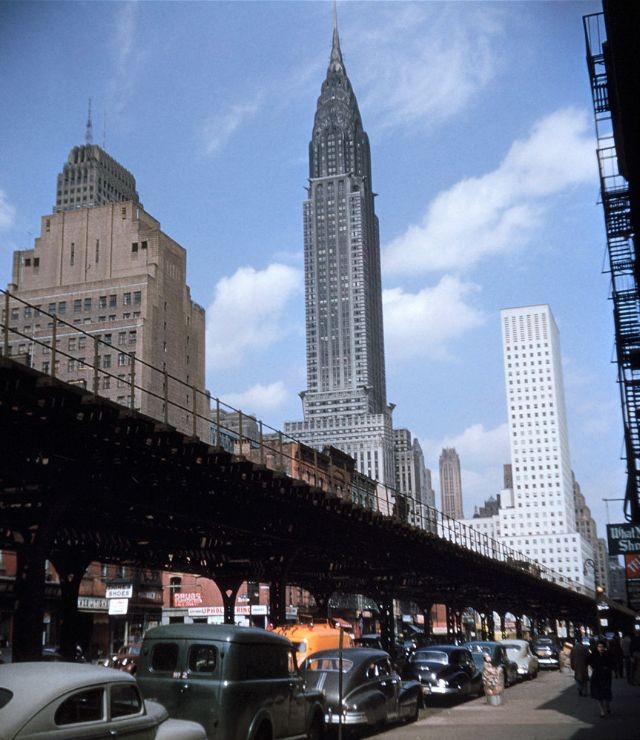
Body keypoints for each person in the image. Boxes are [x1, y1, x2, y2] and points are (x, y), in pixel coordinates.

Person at [589, 639, 614, 717]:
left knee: (606, 693)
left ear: (604, 647)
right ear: (597, 647)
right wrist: (593, 667)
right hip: (597, 676)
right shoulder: (594, 654)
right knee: (598, 694)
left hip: (606, 676)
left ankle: (607, 706)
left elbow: (612, 664)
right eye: (599, 647)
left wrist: (608, 668)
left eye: (602, 647)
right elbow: (588, 662)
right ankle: (602, 710)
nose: (600, 648)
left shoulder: (608, 654)